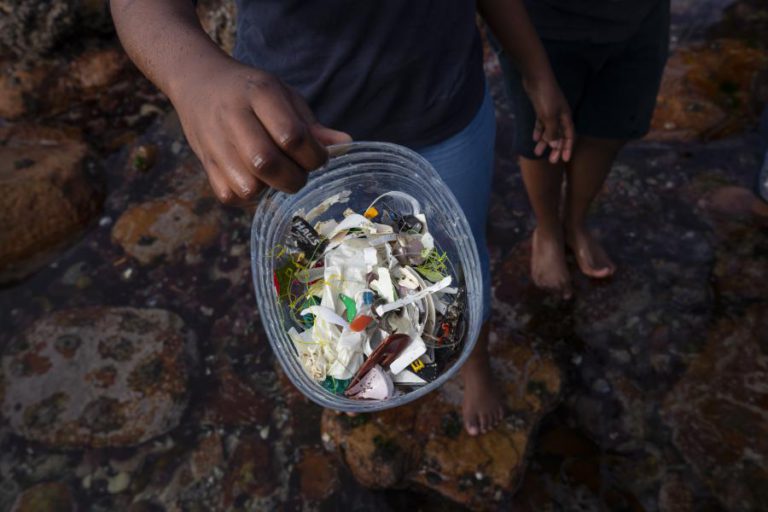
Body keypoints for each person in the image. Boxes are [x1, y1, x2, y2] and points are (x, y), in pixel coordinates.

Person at [110, 0, 573, 436]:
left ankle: (474, 364)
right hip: (298, 135)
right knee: (318, 275)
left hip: (444, 106)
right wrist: (192, 75)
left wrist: (536, 69)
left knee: (458, 267)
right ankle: (349, 365)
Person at [493, 0, 671, 298]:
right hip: (541, 22)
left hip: (641, 17)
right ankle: (548, 229)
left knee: (609, 127)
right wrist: (536, 76)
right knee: (546, 134)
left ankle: (576, 222)